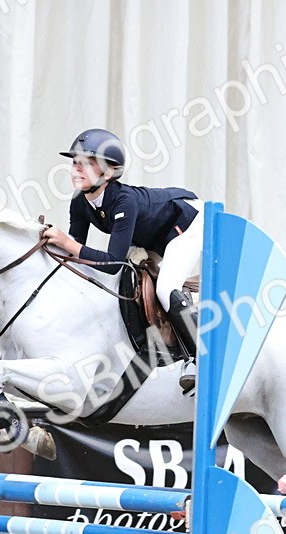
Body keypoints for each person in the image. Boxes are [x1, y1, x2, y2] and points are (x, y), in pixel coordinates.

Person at [42, 128, 203, 393]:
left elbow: (112, 262)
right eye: (75, 162)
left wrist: (66, 243)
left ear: (108, 173)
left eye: (88, 163)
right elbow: (75, 253)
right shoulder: (79, 202)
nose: (77, 168)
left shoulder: (124, 201)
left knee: (165, 287)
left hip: (186, 221)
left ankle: (199, 359)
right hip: (150, 234)